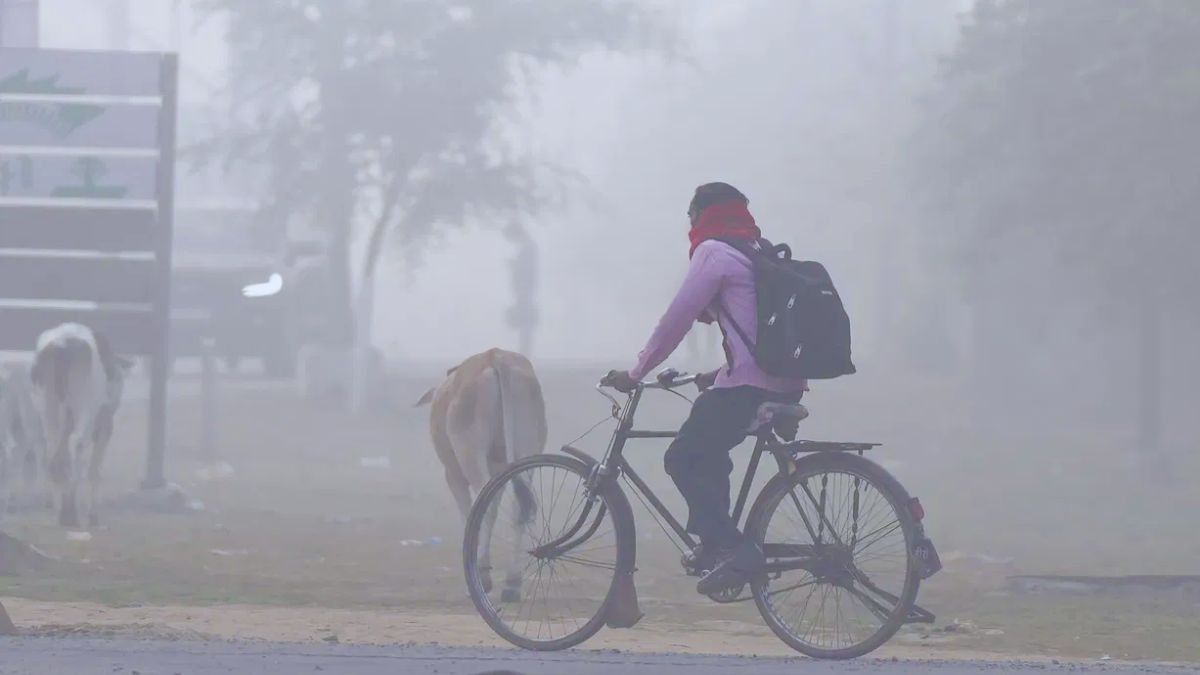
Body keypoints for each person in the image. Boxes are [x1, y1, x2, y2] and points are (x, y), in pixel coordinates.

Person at [605, 182, 808, 595]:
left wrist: (636, 372)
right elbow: (755, 337)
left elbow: (676, 319)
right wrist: (715, 376)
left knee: (682, 457)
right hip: (784, 384)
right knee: (710, 449)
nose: (690, 225)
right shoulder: (756, 252)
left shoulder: (714, 252)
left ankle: (730, 549)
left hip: (748, 388)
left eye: (691, 216)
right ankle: (719, 548)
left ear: (701, 214)